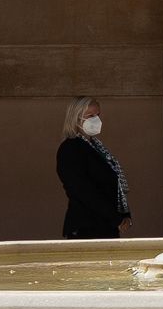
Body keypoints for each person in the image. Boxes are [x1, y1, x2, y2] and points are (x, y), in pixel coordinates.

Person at [55, 96, 130, 239]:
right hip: (86, 227)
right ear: (76, 119)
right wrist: (116, 218)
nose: (96, 120)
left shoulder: (97, 148)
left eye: (98, 115)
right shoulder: (70, 149)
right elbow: (82, 190)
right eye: (90, 116)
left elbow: (112, 183)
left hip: (105, 226)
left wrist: (124, 214)